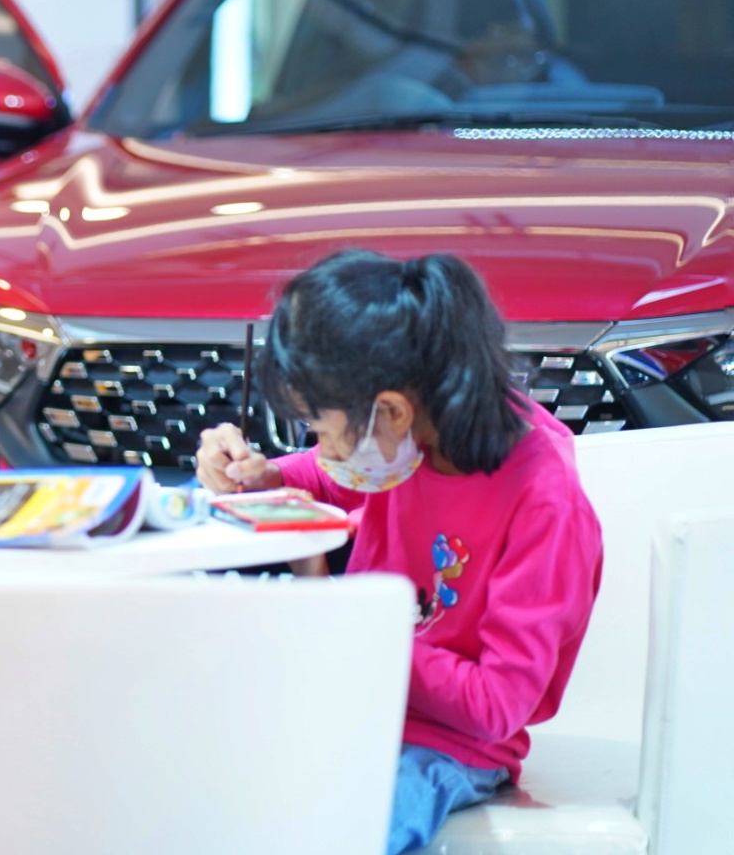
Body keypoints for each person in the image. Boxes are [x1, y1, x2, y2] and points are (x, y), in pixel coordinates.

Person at [195, 250, 603, 855]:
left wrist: (355, 626)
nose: (321, 445)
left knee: (337, 832)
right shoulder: (417, 439)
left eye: (323, 427)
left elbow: (498, 705)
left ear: (390, 409)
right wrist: (265, 476)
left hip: (446, 749)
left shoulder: (544, 502)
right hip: (347, 704)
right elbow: (332, 472)